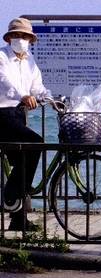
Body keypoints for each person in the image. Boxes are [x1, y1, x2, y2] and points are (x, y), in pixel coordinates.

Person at [0, 18, 53, 232]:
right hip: (2, 114)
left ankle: (18, 219)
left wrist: (50, 98)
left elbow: (37, 86)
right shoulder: (1, 57)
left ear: (30, 40)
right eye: (17, 35)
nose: (21, 39)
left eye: (25, 36)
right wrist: (23, 95)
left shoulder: (30, 61)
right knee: (35, 143)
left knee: (21, 163)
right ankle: (10, 193)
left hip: (18, 114)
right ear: (9, 38)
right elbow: (4, 81)